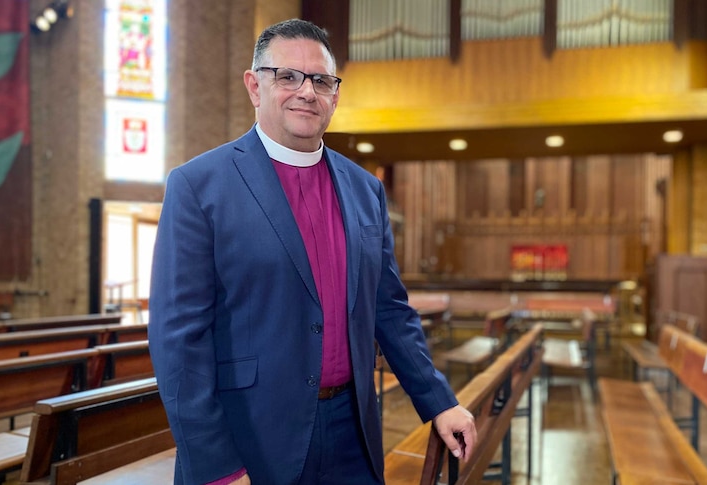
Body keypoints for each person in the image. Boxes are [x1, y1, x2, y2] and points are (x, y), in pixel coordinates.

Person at [148, 18, 477, 485]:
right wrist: (217, 468)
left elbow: (390, 309)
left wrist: (439, 400)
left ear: (335, 95)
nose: (307, 91)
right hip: (249, 435)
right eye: (288, 76)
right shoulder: (199, 185)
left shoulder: (365, 190)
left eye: (321, 80)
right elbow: (179, 339)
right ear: (254, 85)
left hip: (353, 431)